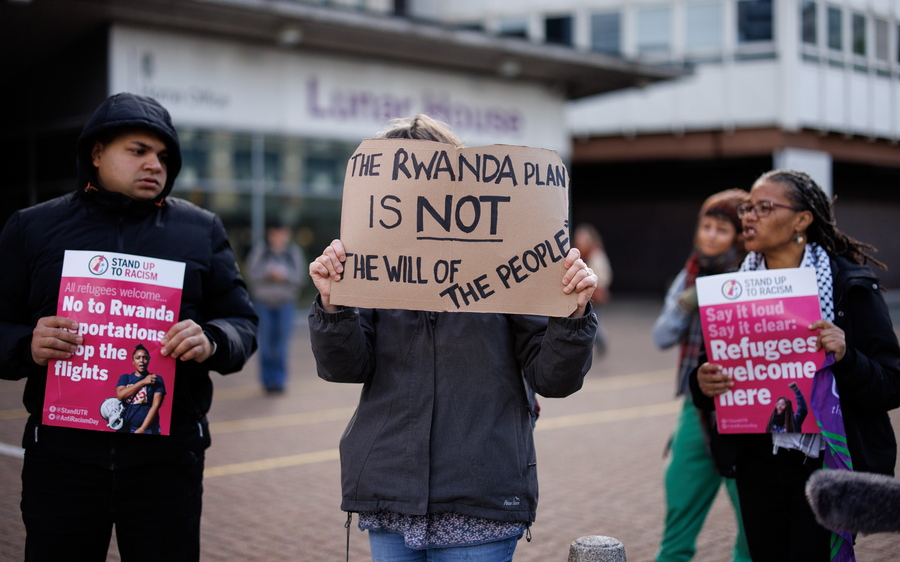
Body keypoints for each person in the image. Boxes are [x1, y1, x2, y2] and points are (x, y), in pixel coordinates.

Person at [307, 113, 599, 562]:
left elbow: (554, 379)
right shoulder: (371, 267)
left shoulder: (509, 260)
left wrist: (572, 314)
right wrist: (333, 304)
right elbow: (344, 367)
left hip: (479, 496)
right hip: (391, 494)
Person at [0, 92, 258, 562]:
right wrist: (25, 344)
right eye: (138, 151)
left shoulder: (199, 229)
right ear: (96, 153)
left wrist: (213, 339)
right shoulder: (31, 228)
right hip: (62, 460)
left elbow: (242, 321)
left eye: (163, 156)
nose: (154, 165)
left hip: (167, 462)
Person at [692, 169, 900, 561]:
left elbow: (892, 384)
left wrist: (846, 356)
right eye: (747, 208)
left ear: (802, 220)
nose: (748, 217)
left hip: (827, 466)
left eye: (764, 208)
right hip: (758, 464)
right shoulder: (732, 287)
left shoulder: (848, 285)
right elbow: (709, 374)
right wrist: (703, 382)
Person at [652, 189, 751, 562]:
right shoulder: (689, 275)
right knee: (680, 505)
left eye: (721, 229)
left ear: (740, 236)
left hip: (745, 408)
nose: (709, 235)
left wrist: (718, 296)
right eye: (705, 226)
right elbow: (661, 337)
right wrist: (686, 301)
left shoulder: (754, 274)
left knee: (751, 523)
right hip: (696, 409)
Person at [245, 219, 307, 394]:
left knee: (281, 345)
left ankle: (278, 381)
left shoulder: (293, 253)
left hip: (285, 304)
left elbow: (300, 277)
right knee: (265, 344)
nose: (279, 237)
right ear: (270, 235)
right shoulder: (261, 251)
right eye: (276, 233)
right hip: (263, 304)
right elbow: (251, 273)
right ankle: (266, 381)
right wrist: (268, 273)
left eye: (282, 234)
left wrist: (284, 275)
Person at [573, 223, 613, 356]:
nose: (580, 243)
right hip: (587, 295)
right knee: (591, 320)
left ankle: (599, 343)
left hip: (594, 294)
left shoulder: (596, 255)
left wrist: (598, 287)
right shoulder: (582, 255)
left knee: (593, 321)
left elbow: (604, 276)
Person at [116, 343, 166, 434]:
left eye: (145, 358)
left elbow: (155, 406)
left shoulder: (156, 379)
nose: (141, 361)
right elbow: (120, 395)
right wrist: (143, 382)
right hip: (125, 428)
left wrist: (142, 429)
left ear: (149, 360)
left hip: (148, 430)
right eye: (138, 358)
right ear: (133, 361)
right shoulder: (126, 378)